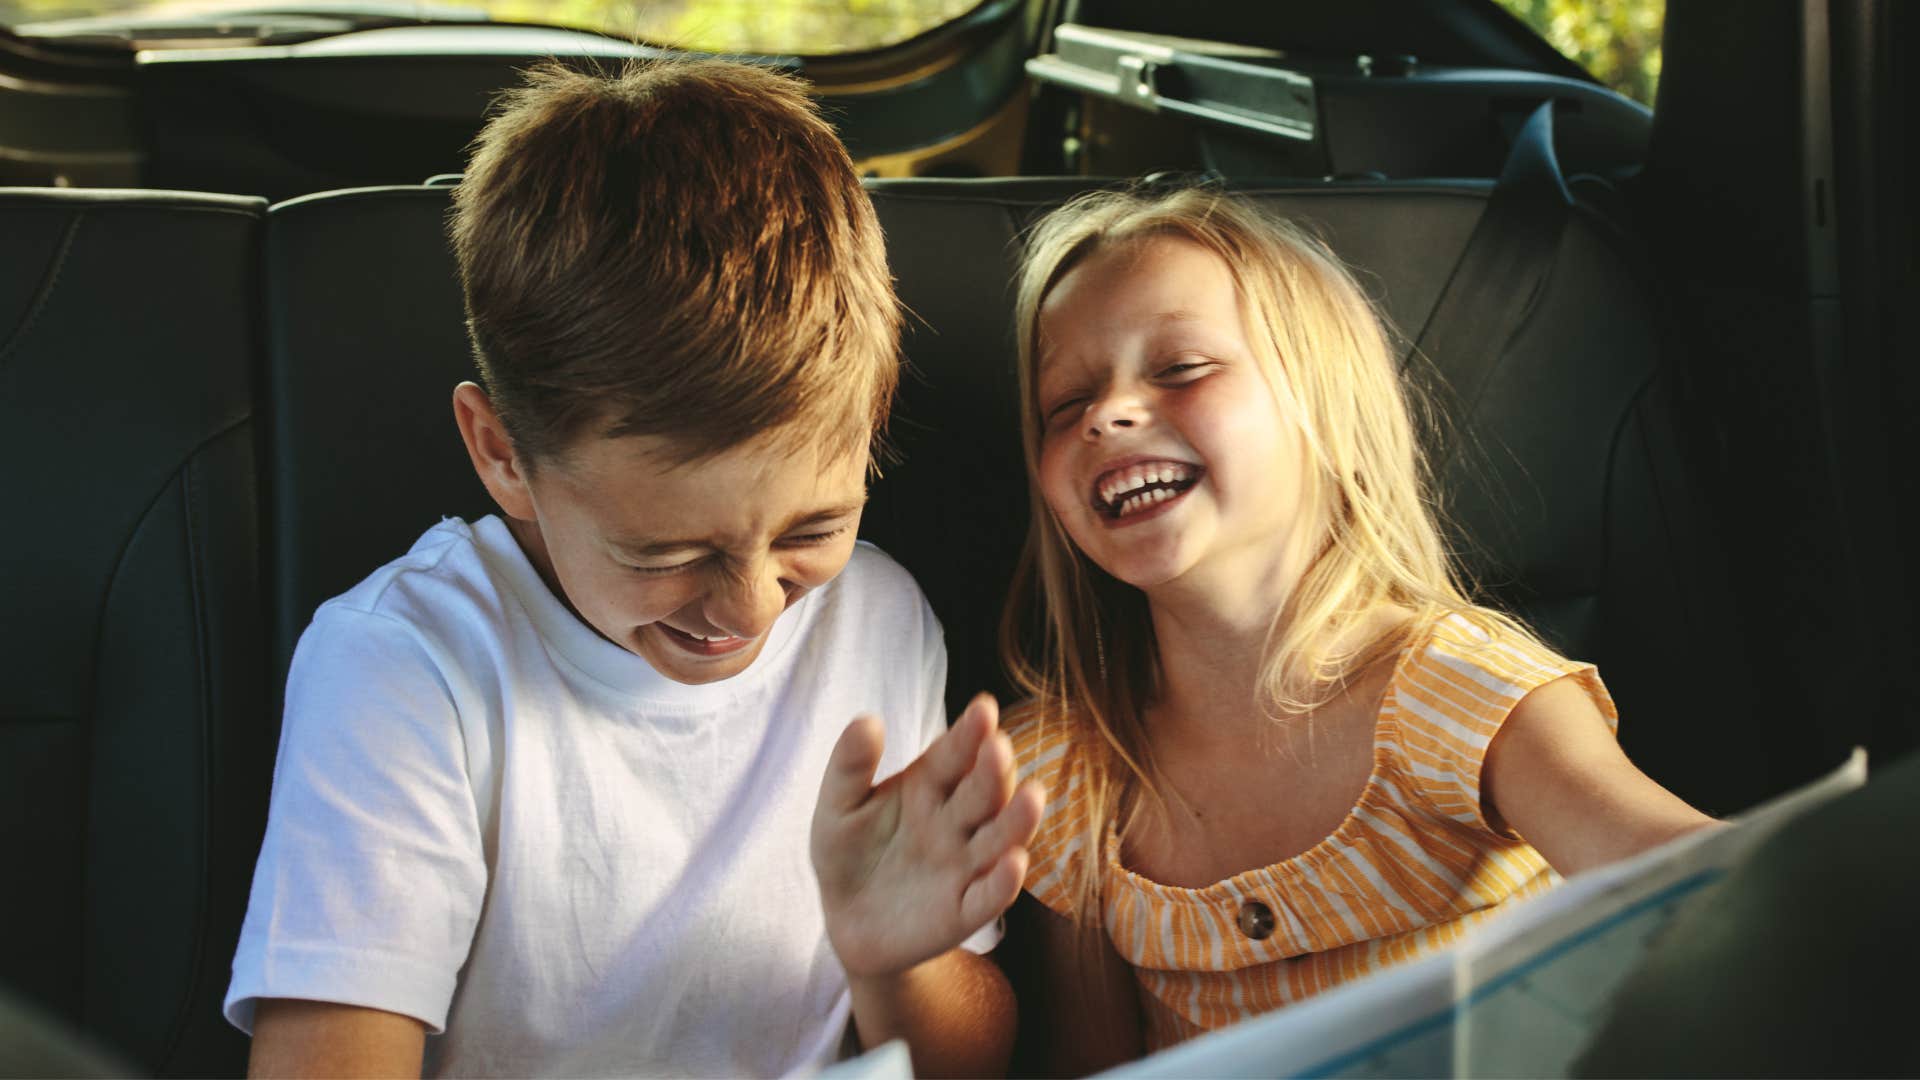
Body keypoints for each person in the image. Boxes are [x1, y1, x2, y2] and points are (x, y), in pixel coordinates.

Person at [224, 58, 1043, 1078]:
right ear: (501, 456)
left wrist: (892, 962)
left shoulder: (877, 619)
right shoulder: (407, 670)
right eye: (666, 552)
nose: (749, 607)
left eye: (808, 531)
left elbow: (965, 1064)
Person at [997, 185, 1717, 1073]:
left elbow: (1705, 892)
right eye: (1065, 404)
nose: (1106, 414)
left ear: (1324, 411)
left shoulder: (1456, 693)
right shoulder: (1068, 772)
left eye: (1180, 369)